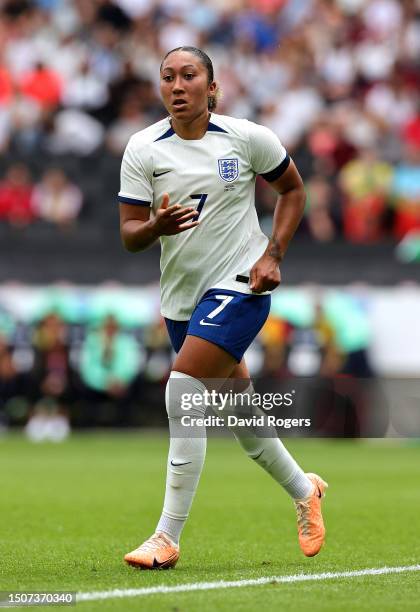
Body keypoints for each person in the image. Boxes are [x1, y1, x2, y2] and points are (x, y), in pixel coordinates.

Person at [118, 46, 328, 570]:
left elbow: (293, 191)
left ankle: (166, 537)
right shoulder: (143, 149)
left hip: (241, 283)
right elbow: (129, 236)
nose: (177, 85)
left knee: (183, 391)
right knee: (241, 414)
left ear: (212, 88)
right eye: (168, 77)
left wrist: (273, 253)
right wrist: (155, 227)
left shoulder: (248, 138)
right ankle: (305, 491)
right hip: (181, 299)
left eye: (189, 75)